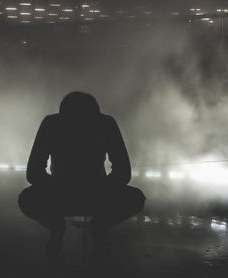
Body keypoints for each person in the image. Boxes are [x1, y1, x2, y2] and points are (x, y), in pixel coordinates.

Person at [18, 91, 145, 265]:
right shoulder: (105, 123)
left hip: (59, 196)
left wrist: (57, 186)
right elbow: (123, 173)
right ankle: (99, 227)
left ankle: (57, 229)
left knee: (27, 198)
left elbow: (33, 173)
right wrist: (102, 186)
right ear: (96, 112)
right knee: (135, 197)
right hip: (98, 196)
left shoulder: (52, 123)